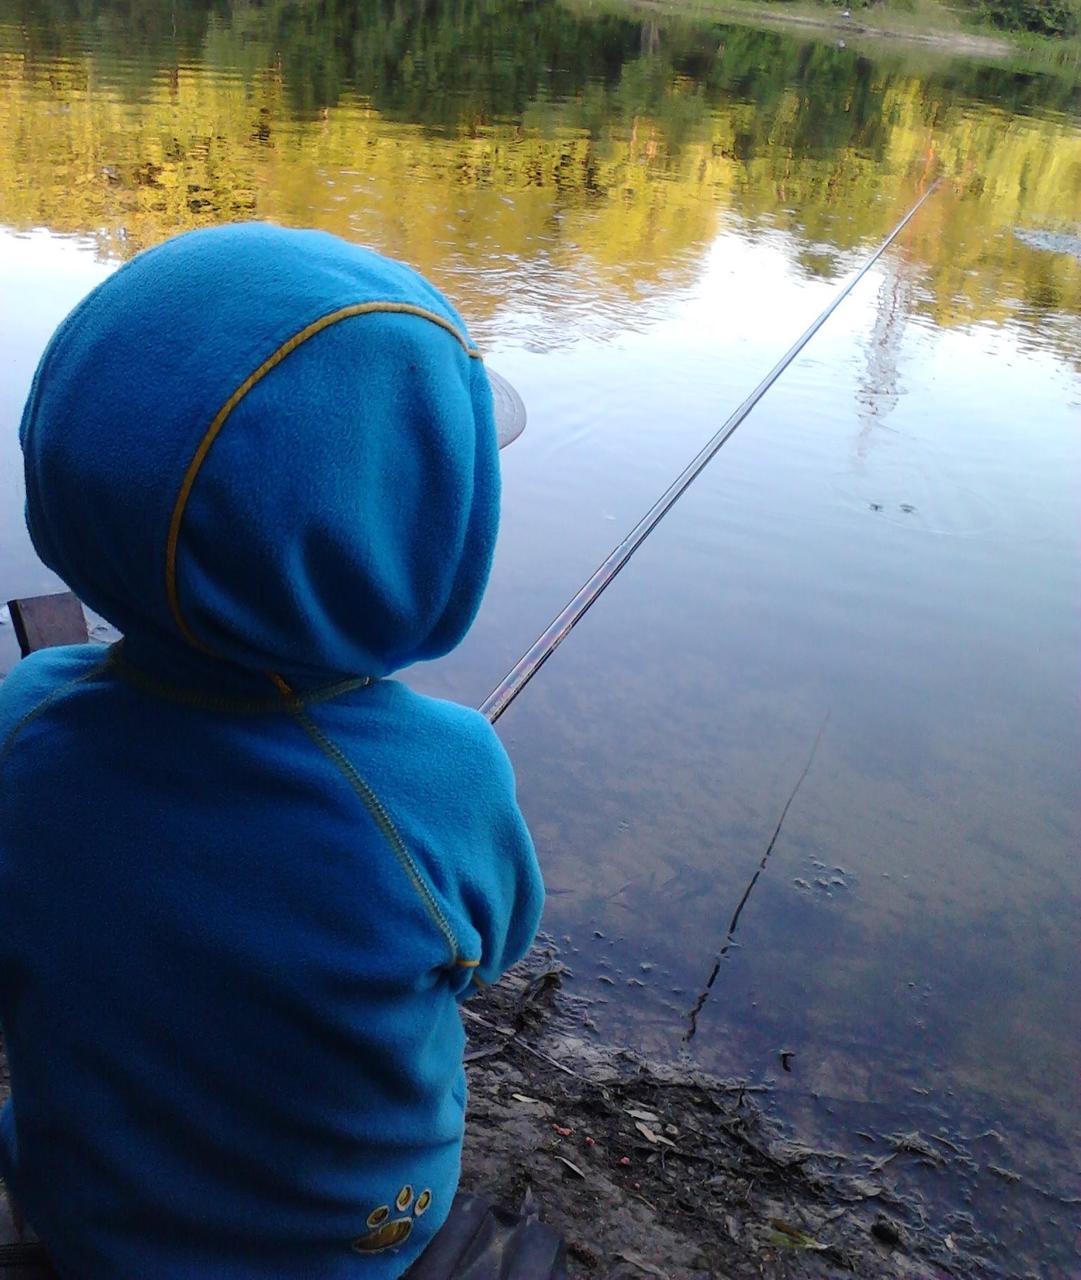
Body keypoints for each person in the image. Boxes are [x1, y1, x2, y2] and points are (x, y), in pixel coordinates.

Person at [0, 225, 545, 1278]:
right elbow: (494, 947)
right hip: (347, 1249)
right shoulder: (450, 772)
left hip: (86, 1220)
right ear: (432, 530)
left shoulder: (24, 721)